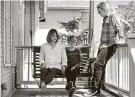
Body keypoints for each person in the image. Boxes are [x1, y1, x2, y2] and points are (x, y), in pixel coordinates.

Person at [85, 2, 126, 96]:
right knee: (101, 66)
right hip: (103, 45)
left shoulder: (113, 16)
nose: (98, 13)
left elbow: (119, 27)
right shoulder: (105, 17)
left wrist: (122, 39)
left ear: (105, 9)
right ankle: (98, 89)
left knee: (97, 64)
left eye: (99, 11)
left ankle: (94, 88)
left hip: (110, 45)